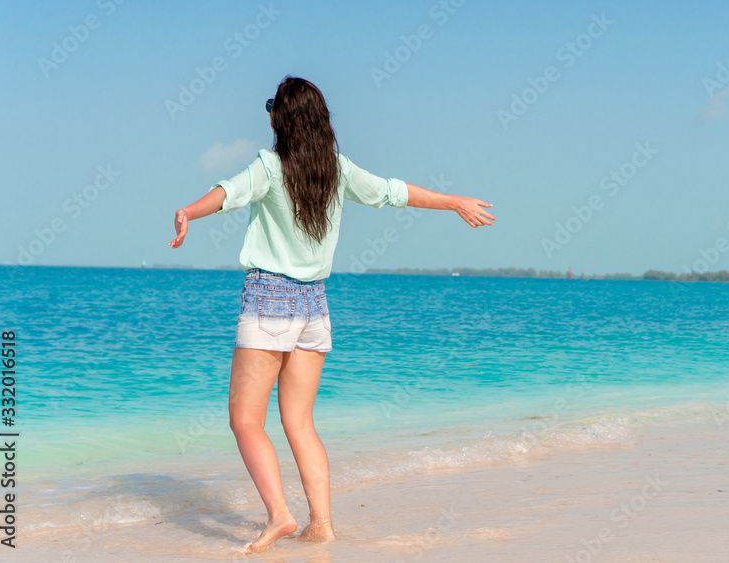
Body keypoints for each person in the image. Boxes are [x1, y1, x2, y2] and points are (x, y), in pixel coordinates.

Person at [167, 76, 495, 553]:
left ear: (281, 119)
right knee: (300, 423)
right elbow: (393, 192)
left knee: (244, 420)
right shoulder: (336, 170)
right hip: (314, 306)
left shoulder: (271, 167)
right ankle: (321, 523)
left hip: (269, 299)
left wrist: (187, 213)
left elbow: (228, 193)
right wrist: (453, 202)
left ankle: (280, 514)